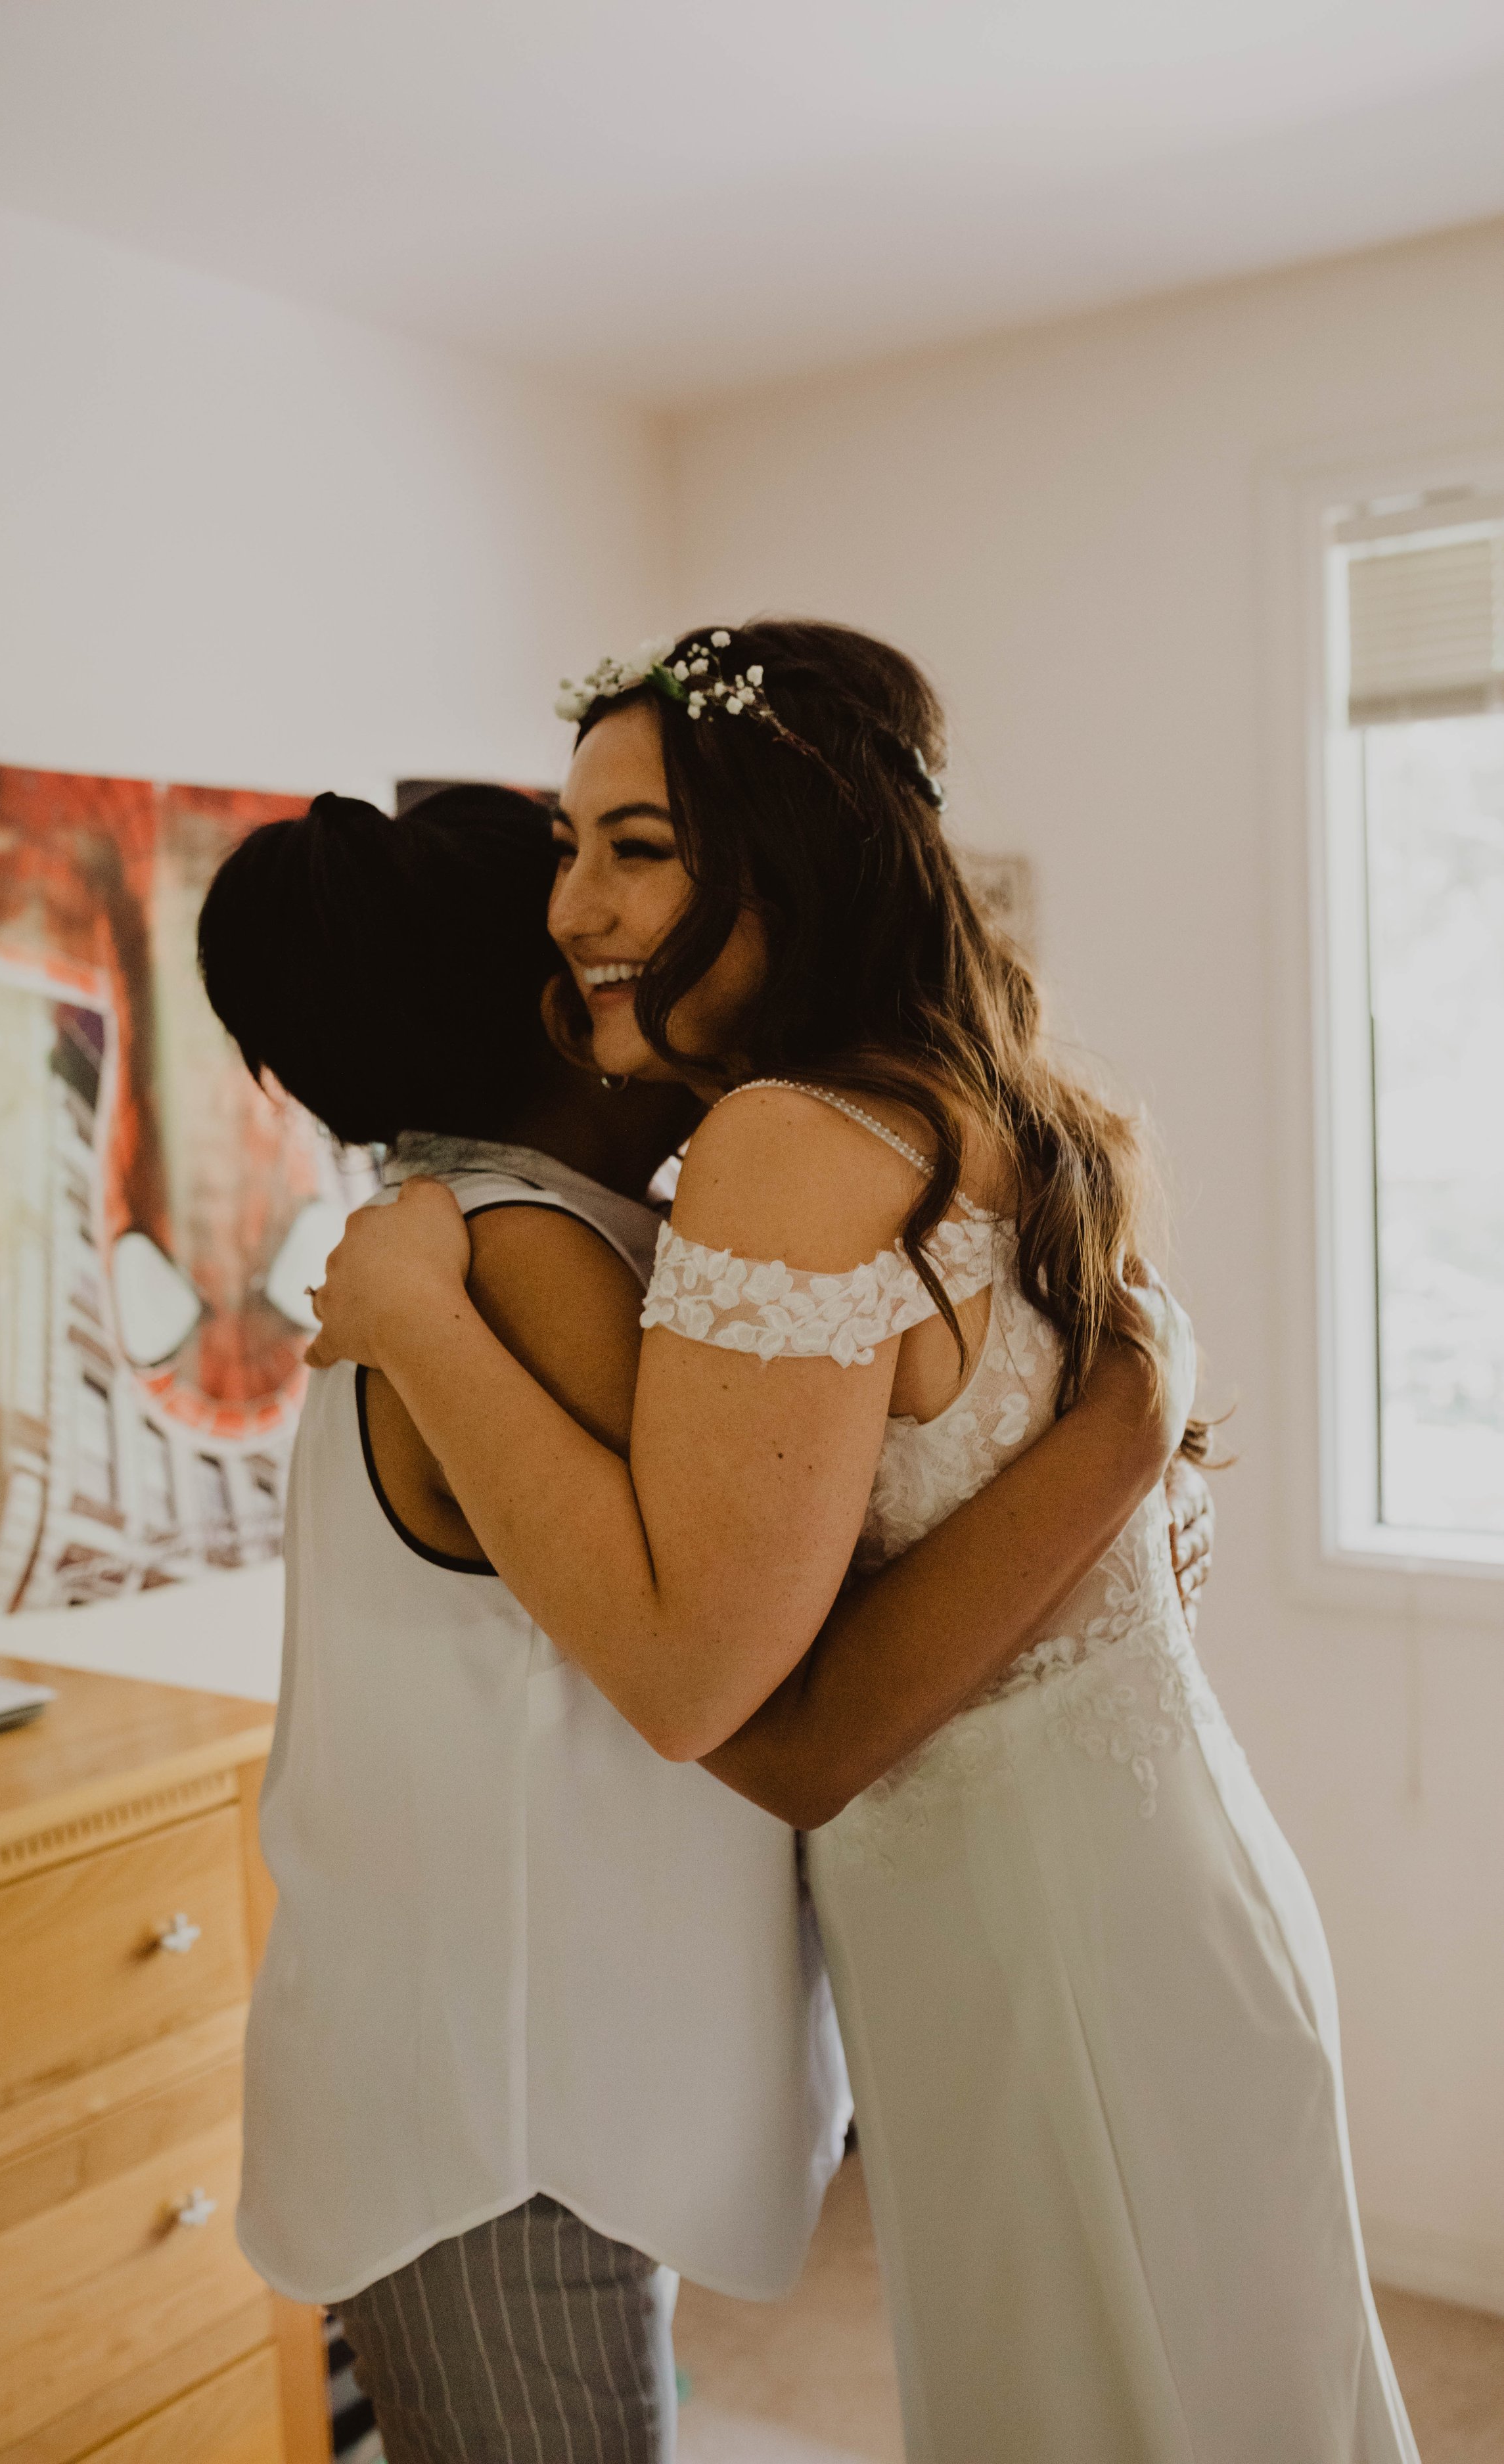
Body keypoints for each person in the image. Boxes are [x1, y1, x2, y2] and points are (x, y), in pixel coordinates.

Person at [311, 619, 1419, 2464]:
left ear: (795, 850)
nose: (569, 901)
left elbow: (697, 1687)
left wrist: (421, 1326)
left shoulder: (783, 1143)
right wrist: (1128, 1448)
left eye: (633, 845)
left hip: (1045, 1950)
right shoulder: (995, 1099)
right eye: (569, 845)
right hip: (1149, 1889)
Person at [201, 781, 1208, 2464]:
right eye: (593, 928)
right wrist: (1112, 1445)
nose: (646, 957)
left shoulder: (519, 1232)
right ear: (558, 1011)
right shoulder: (520, 1264)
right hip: (501, 2129)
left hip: (530, 2089)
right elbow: (792, 1661)